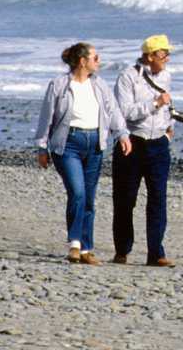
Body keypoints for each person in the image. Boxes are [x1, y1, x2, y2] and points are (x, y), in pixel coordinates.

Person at [34, 42, 132, 264]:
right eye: (95, 58)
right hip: (68, 144)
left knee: (89, 197)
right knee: (77, 192)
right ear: (82, 61)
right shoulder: (59, 85)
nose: (99, 61)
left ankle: (87, 249)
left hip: (95, 144)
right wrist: (42, 147)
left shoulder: (99, 84)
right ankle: (75, 244)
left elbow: (113, 111)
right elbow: (46, 117)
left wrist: (122, 134)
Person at [112, 33, 178, 267]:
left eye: (168, 54)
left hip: (158, 144)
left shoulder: (166, 76)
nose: (167, 58)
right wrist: (155, 103)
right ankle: (122, 250)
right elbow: (125, 112)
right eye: (163, 54)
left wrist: (170, 129)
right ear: (150, 56)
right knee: (125, 199)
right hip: (132, 142)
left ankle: (156, 253)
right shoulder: (128, 77)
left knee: (158, 199)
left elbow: (169, 103)